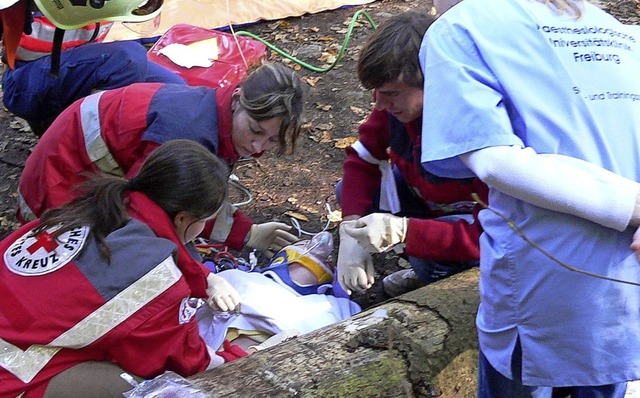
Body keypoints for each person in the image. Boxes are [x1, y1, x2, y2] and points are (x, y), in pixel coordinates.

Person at [419, 0, 640, 396]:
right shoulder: (612, 27)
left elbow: (495, 161)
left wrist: (631, 206)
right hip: (623, 284)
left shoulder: (459, 28)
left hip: (544, 283)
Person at [0, 139, 241, 397]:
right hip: (11, 373)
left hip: (13, 341)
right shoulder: (155, 277)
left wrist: (205, 277)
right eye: (204, 221)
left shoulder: (90, 208)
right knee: (149, 387)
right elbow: (180, 361)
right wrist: (235, 359)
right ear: (183, 218)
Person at [17, 62, 305, 259]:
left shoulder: (219, 119)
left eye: (271, 141)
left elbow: (194, 199)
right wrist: (197, 274)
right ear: (237, 99)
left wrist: (246, 233)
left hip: (88, 171)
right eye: (256, 130)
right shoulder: (187, 134)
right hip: (61, 180)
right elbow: (150, 216)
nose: (257, 146)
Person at [335, 11, 487, 298]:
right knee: (349, 192)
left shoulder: (476, 127)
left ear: (433, 82)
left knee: (434, 247)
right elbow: (362, 160)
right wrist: (349, 229)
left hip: (466, 222)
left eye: (391, 93)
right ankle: (424, 266)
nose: (379, 105)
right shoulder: (395, 109)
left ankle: (445, 289)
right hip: (425, 199)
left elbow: (489, 237)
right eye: (376, 93)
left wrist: (406, 233)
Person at [1, 0, 186, 137]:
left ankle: (142, 146)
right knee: (129, 59)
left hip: (72, 64)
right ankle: (82, 143)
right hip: (26, 79)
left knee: (175, 89)